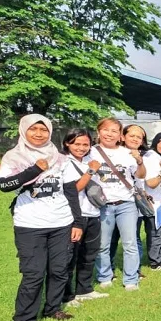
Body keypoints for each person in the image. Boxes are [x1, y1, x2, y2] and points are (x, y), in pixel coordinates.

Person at [0, 115, 84, 321]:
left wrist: (77, 222)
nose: (39, 133)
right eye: (34, 129)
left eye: (43, 129)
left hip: (61, 222)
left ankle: (53, 309)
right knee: (33, 273)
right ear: (24, 130)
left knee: (59, 269)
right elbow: (4, 185)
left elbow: (70, 191)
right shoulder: (13, 156)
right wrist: (34, 170)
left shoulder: (60, 158)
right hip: (30, 224)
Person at [89, 117, 146, 290]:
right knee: (102, 244)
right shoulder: (90, 152)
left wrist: (139, 161)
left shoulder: (126, 153)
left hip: (126, 204)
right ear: (99, 132)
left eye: (114, 131)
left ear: (120, 135)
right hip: (102, 204)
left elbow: (141, 175)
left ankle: (131, 279)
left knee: (130, 243)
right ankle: (105, 276)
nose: (110, 134)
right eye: (106, 130)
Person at [61, 129, 108, 306]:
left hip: (93, 212)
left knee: (89, 254)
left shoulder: (89, 160)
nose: (81, 148)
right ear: (67, 143)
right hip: (74, 215)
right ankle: (66, 295)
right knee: (70, 257)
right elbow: (74, 189)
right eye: (77, 144)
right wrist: (90, 171)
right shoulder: (64, 162)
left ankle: (84, 289)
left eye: (85, 144)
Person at [139, 133, 161, 270]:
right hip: (151, 202)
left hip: (160, 201)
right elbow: (151, 183)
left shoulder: (160, 157)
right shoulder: (150, 157)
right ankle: (156, 261)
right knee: (154, 232)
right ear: (156, 142)